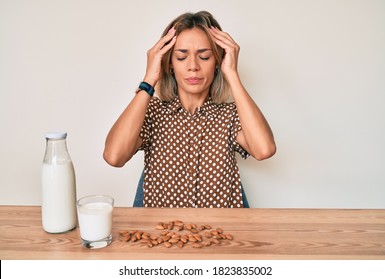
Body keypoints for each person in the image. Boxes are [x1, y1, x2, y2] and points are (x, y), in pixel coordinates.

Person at [103, 11, 276, 208]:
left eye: (204, 57)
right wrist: (149, 78)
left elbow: (264, 150)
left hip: (220, 234)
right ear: (169, 64)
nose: (193, 66)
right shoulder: (152, 111)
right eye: (181, 57)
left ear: (217, 62)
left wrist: (232, 74)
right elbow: (114, 157)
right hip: (160, 235)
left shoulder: (230, 114)